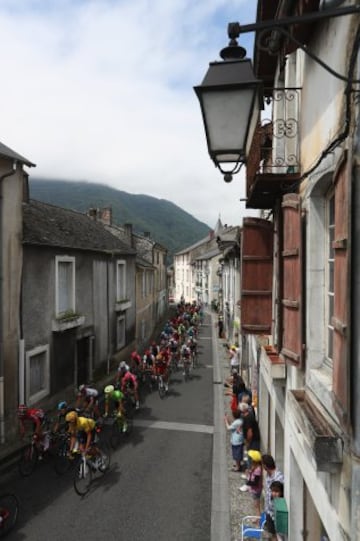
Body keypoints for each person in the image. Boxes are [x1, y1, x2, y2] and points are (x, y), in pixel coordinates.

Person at [262, 454, 284, 537]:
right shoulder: (268, 475)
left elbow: (280, 495)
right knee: (272, 534)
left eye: (262, 464)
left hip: (275, 513)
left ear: (265, 465)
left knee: (278, 535)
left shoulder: (278, 477)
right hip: (268, 511)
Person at [238, 450, 263, 516]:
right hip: (254, 489)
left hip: (256, 490)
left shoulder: (258, 470)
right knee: (255, 505)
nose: (250, 460)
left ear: (255, 460)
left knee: (256, 505)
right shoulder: (255, 467)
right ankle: (257, 517)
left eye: (251, 459)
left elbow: (255, 482)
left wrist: (248, 483)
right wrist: (249, 472)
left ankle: (258, 518)